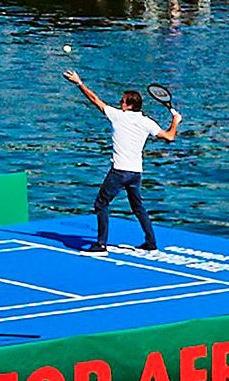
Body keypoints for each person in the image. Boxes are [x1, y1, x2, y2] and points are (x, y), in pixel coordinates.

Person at [63, 70, 179, 254]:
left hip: (119, 172)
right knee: (138, 207)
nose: (120, 102)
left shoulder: (119, 116)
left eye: (122, 100)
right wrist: (176, 120)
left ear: (130, 105)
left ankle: (101, 245)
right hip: (135, 173)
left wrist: (79, 83)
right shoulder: (147, 122)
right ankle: (151, 243)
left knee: (100, 204)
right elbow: (170, 137)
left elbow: (94, 100)